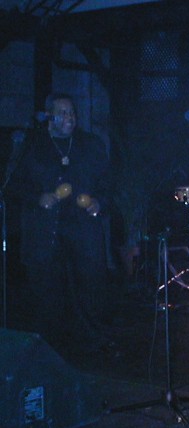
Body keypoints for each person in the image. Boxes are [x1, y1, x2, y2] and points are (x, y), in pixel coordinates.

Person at [10, 92, 112, 353]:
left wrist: (99, 202)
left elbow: (108, 183)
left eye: (72, 113)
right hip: (47, 231)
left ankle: (94, 342)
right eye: (63, 113)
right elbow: (13, 185)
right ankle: (51, 348)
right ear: (49, 117)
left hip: (82, 230)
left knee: (90, 287)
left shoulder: (90, 145)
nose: (70, 118)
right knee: (50, 292)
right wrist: (37, 197)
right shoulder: (32, 146)